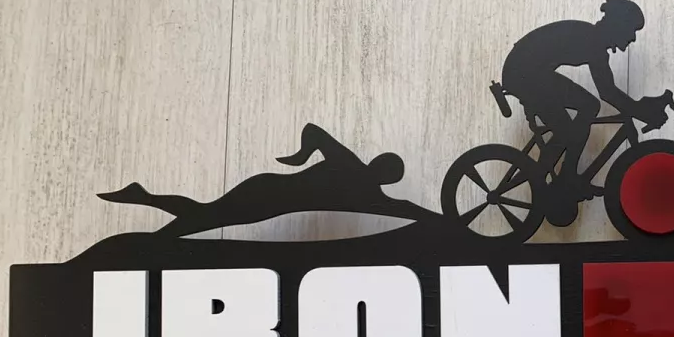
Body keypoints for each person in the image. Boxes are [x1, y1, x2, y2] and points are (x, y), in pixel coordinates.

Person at [498, 0, 668, 223]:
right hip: (524, 74)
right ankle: (558, 177)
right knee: (572, 124)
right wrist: (641, 111)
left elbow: (608, 91)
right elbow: (608, 92)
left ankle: (565, 176)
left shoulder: (592, 41)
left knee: (586, 109)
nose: (633, 38)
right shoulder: (592, 42)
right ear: (618, 25)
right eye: (632, 30)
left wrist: (639, 108)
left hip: (529, 70)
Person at [98, 123, 436, 236]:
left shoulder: (363, 183)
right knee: (208, 215)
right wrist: (300, 157)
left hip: (269, 189)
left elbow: (405, 208)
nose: (382, 176)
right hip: (269, 194)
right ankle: (156, 231)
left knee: (207, 212)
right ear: (382, 170)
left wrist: (303, 157)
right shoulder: (359, 179)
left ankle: (146, 200)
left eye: (387, 175)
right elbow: (314, 131)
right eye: (387, 172)